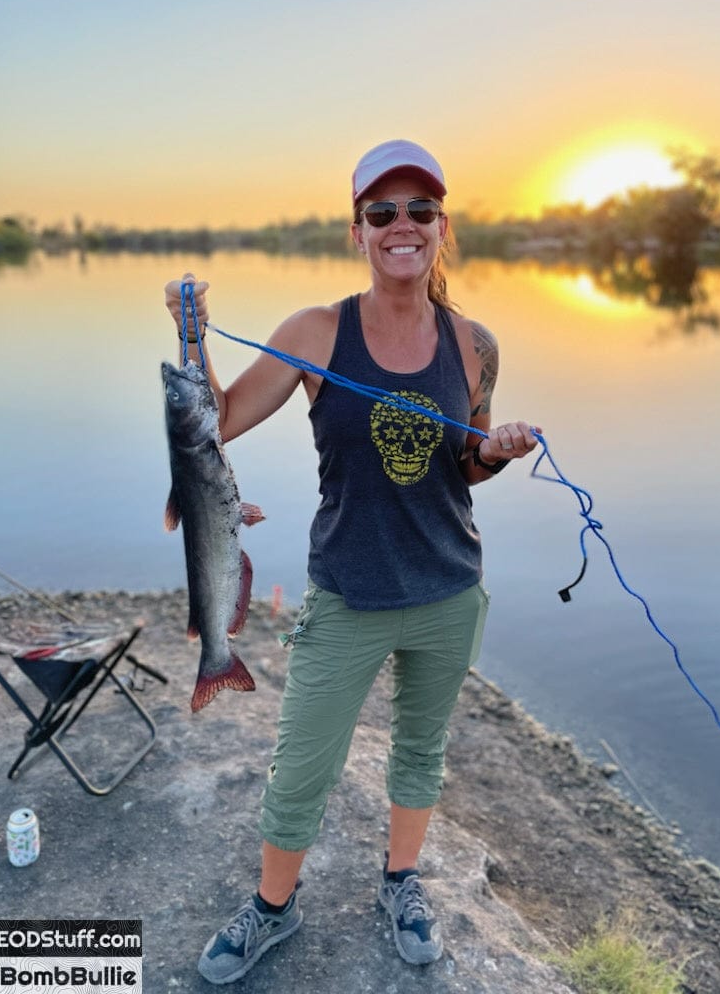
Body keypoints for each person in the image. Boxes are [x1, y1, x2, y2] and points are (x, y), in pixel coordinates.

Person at [164, 139, 540, 984]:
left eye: (420, 211)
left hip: (449, 588)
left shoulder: (473, 342)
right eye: (383, 212)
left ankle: (400, 883)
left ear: (443, 227)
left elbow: (465, 463)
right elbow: (213, 421)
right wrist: (190, 333)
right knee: (302, 762)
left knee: (420, 751)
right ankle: (272, 907)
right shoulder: (315, 333)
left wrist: (501, 450)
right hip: (348, 592)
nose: (401, 225)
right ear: (357, 231)